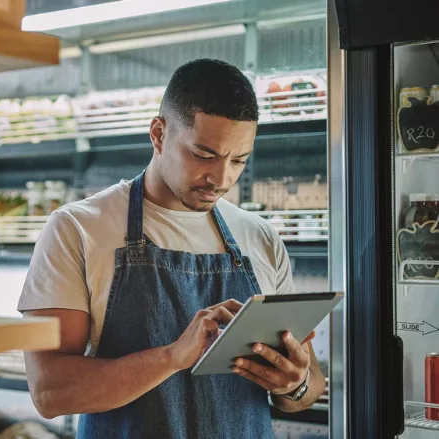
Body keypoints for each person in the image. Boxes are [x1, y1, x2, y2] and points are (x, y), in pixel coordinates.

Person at [17, 59, 325, 438]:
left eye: (239, 160)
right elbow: (50, 391)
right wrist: (172, 357)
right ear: (159, 134)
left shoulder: (259, 236)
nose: (221, 178)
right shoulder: (78, 229)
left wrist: (294, 383)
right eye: (204, 155)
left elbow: (307, 389)